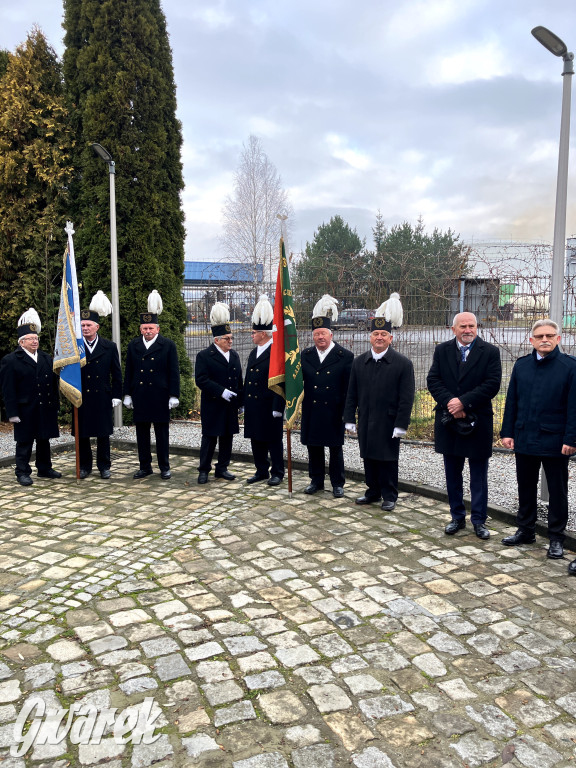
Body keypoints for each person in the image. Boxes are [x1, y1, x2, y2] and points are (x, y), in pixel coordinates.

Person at [500, 319, 576, 568]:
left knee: (557, 491)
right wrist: (507, 432)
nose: (545, 339)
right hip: (525, 437)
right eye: (540, 336)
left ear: (558, 339)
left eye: (550, 335)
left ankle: (556, 538)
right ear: (531, 339)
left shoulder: (569, 367)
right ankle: (526, 530)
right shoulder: (522, 366)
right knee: (525, 486)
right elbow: (512, 401)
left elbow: (574, 408)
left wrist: (571, 438)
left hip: (556, 440)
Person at [427, 311, 502, 540]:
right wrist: (451, 402)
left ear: (477, 327)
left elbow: (492, 384)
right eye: (463, 326)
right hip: (449, 419)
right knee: (452, 472)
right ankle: (457, 516)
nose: (468, 330)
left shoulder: (490, 352)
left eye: (471, 326)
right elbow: (433, 380)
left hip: (478, 419)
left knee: (478, 474)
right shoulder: (442, 350)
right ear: (454, 329)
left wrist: (464, 402)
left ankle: (479, 520)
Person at [343, 294, 414, 511]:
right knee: (368, 456)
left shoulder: (402, 364)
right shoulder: (359, 362)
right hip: (366, 418)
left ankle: (389, 494)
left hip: (389, 420)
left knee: (388, 459)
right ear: (370, 337)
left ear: (391, 338)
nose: (379, 337)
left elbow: (407, 397)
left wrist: (401, 424)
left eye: (384, 334)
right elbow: (351, 393)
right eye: (376, 334)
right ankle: (372, 491)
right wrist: (349, 419)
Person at [0, 309, 61, 486]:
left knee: (44, 439)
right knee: (24, 441)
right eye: (31, 339)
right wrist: (12, 412)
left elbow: (52, 383)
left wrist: (54, 405)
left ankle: (44, 468)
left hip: (44, 406)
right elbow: (8, 389)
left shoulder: (45, 358)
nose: (35, 341)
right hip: (25, 408)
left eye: (36, 339)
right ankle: (22, 471)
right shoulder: (11, 360)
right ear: (21, 342)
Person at [300, 295, 353, 498]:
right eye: (316, 334)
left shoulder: (344, 356)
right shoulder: (305, 355)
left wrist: (348, 414)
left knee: (335, 448)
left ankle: (337, 483)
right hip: (312, 409)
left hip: (334, 410)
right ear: (312, 336)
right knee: (314, 447)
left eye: (323, 333)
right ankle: (316, 481)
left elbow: (349, 388)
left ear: (331, 334)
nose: (320, 337)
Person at [123, 291, 180, 479]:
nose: (147, 331)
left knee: (162, 434)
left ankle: (164, 466)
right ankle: (145, 466)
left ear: (158, 328)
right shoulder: (133, 345)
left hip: (160, 395)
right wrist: (127, 394)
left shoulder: (168, 345)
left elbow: (173, 372)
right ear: (140, 329)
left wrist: (174, 395)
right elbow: (129, 371)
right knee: (142, 434)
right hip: (140, 394)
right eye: (145, 328)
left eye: (151, 328)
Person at [195, 302, 244, 484]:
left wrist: (240, 401)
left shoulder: (235, 356)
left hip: (230, 405)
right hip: (213, 404)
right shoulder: (204, 356)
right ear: (217, 340)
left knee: (227, 438)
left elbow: (239, 379)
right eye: (227, 338)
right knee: (209, 438)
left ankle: (222, 468)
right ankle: (204, 470)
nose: (230, 341)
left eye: (231, 338)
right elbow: (201, 380)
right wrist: (221, 391)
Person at [76, 291, 122, 479]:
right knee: (83, 433)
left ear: (97, 327)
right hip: (82, 396)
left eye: (88, 325)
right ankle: (85, 466)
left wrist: (117, 395)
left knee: (103, 434)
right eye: (82, 325)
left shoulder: (109, 346)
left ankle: (104, 466)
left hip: (102, 395)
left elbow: (116, 373)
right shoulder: (75, 348)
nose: (85, 328)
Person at [244, 295, 285, 486]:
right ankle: (261, 470)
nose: (251, 335)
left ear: (263, 333)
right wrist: (245, 401)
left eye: (254, 332)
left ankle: (277, 471)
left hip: (269, 404)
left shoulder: (276, 351)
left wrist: (278, 406)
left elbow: (281, 381)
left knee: (273, 440)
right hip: (254, 403)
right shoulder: (254, 352)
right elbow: (248, 379)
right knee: (256, 438)